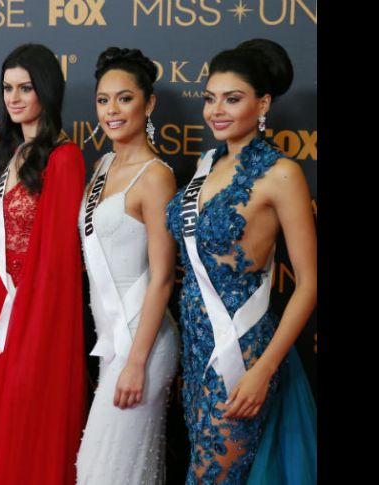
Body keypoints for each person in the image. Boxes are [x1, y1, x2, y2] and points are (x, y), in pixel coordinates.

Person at [165, 39, 317, 484]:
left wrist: (263, 370)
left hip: (243, 350)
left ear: (263, 104)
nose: (216, 110)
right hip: (196, 349)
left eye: (232, 99)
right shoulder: (206, 164)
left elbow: (308, 283)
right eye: (210, 98)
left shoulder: (281, 174)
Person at [0, 43, 88, 485]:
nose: (13, 98)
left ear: (47, 92)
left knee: (25, 417)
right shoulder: (16, 154)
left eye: (26, 88)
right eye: (7, 88)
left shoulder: (65, 157)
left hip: (33, 310)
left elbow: (56, 261)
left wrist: (32, 326)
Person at [75, 47, 180, 485]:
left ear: (148, 104)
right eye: (103, 100)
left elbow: (162, 278)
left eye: (124, 98)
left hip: (143, 344)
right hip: (110, 343)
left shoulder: (156, 176)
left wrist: (137, 362)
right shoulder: (102, 165)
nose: (112, 110)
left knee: (106, 473)